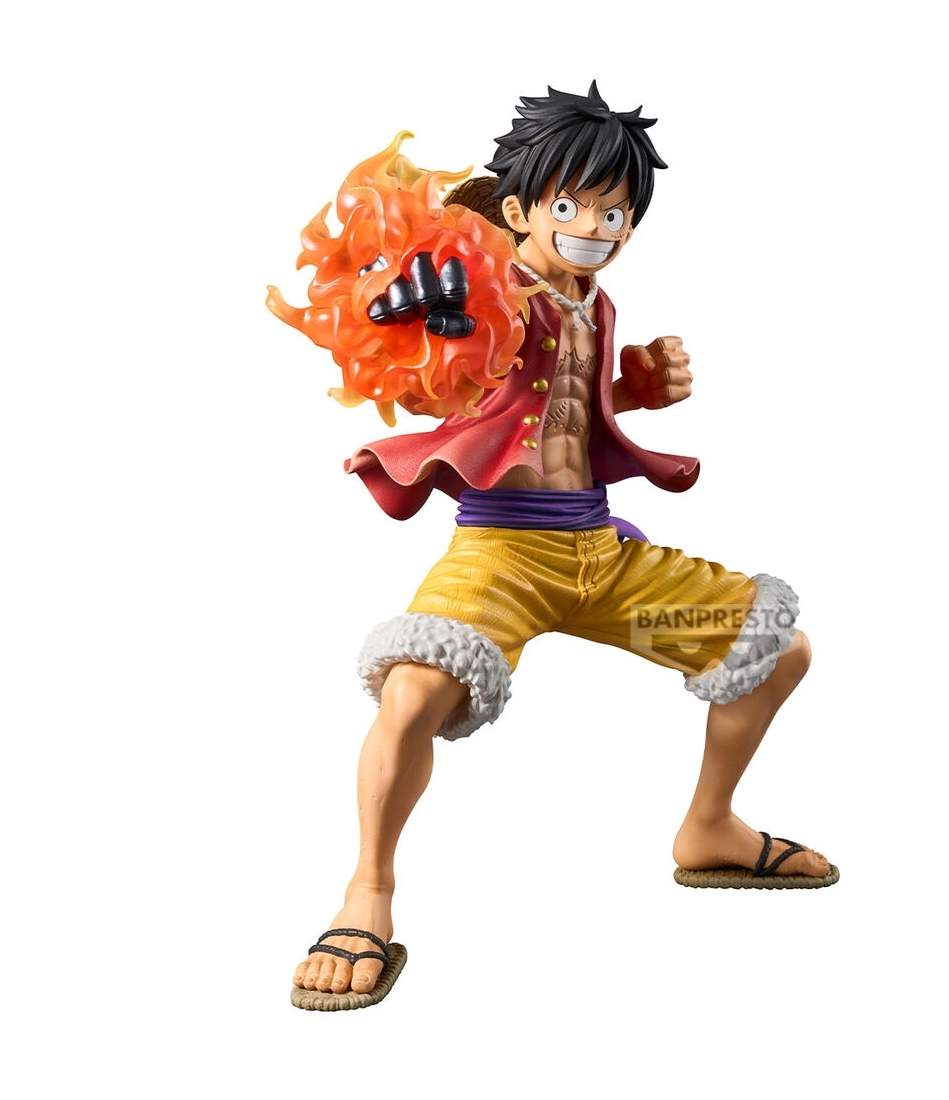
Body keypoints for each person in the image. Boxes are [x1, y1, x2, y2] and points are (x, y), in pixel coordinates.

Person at [278, 82, 836, 1012]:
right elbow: (432, 358)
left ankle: (709, 828)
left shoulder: (596, 304)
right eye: (572, 205)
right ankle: (366, 893)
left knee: (775, 650)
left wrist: (637, 391)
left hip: (601, 560)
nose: (595, 228)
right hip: (502, 562)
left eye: (616, 213)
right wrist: (411, 309)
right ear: (519, 209)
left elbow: (573, 408)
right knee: (413, 693)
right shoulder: (481, 285)